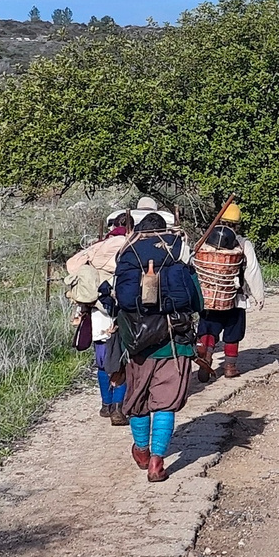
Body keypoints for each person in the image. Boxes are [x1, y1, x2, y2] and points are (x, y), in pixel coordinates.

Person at [103, 204, 201, 482]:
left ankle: (142, 451)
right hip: (175, 340)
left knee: (138, 400)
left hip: (136, 342)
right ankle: (157, 462)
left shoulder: (127, 255)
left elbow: (118, 301)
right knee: (166, 403)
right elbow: (196, 300)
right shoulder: (178, 253)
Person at [64, 204, 136, 424]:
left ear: (113, 226)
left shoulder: (97, 247)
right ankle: (118, 406)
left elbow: (72, 265)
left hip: (98, 309)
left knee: (103, 360)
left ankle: (106, 404)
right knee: (124, 360)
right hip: (126, 310)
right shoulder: (133, 245)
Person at [191, 201, 266, 381]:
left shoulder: (204, 241)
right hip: (234, 296)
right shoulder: (242, 244)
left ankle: (206, 356)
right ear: (237, 224)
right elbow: (252, 270)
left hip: (208, 297)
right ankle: (230, 367)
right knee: (233, 329)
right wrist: (259, 295)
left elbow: (193, 264)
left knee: (208, 327)